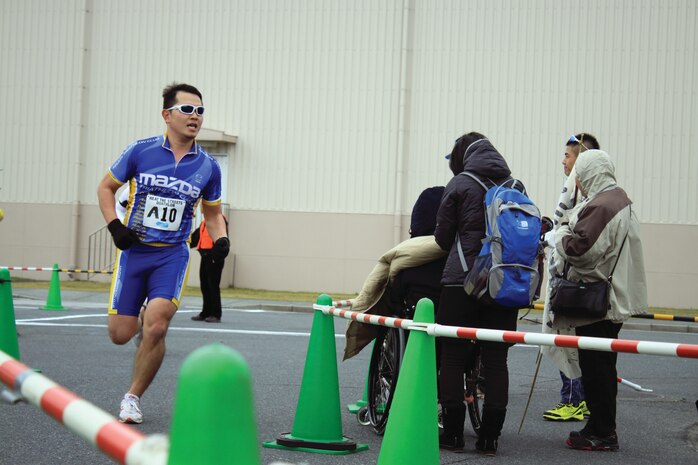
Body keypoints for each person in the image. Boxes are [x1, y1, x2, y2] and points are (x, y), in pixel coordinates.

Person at [96, 83, 229, 424]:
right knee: (120, 335)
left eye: (200, 111)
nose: (195, 117)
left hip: (172, 256)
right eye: (187, 110)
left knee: (156, 327)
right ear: (166, 115)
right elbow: (106, 187)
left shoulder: (209, 167)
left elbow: (212, 213)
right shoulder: (141, 151)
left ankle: (132, 398)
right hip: (134, 252)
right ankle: (139, 319)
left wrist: (221, 240)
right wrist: (115, 226)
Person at [434, 132, 527, 455]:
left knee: (453, 357)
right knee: (496, 360)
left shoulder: (460, 184)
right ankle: (490, 438)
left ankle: (453, 435)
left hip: (463, 283)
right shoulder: (516, 187)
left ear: (463, 156)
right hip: (504, 285)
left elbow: (443, 239)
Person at [549, 149, 647, 451]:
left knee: (597, 369)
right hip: (614, 297)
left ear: (589, 172)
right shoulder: (620, 200)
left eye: (579, 172)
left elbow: (581, 249)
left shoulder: (603, 205)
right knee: (603, 366)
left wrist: (561, 233)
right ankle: (600, 426)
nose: (576, 181)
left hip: (598, 302)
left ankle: (602, 432)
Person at [541, 133, 599, 422]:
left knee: (568, 340)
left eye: (568, 155)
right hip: (573, 281)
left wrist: (554, 238)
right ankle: (581, 400)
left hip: (573, 282)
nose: (563, 160)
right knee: (576, 343)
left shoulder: (586, 199)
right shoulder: (581, 194)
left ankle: (573, 400)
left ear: (582, 159)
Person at [190, 215, 229, 323]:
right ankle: (205, 312)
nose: (202, 208)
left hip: (214, 256)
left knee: (213, 285)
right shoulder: (205, 221)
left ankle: (216, 314)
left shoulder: (219, 220)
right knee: (205, 285)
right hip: (205, 255)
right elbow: (196, 236)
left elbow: (222, 238)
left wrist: (216, 255)